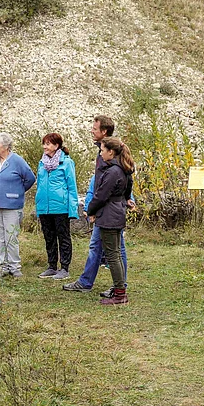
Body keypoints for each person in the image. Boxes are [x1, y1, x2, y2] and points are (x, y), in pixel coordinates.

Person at [63, 115, 131, 295]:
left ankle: (116, 287)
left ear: (104, 132)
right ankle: (115, 285)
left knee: (112, 250)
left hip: (107, 211)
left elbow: (105, 187)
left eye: (94, 129)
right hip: (109, 209)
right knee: (111, 248)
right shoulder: (107, 153)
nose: (91, 131)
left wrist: (91, 209)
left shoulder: (110, 156)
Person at [84, 136, 134, 305]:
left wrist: (90, 210)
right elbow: (128, 189)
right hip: (117, 212)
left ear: (111, 152)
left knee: (112, 255)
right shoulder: (124, 168)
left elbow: (101, 195)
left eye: (102, 150)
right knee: (116, 253)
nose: (100, 153)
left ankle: (120, 294)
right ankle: (119, 290)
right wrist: (126, 199)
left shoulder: (113, 172)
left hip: (109, 215)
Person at [0, 132, 36, 279]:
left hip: (12, 205)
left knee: (11, 236)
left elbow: (30, 178)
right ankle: (3, 267)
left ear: (6, 146)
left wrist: (17, 191)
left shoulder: (17, 161)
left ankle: (15, 267)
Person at [34, 132, 79, 280]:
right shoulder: (41, 163)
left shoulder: (67, 163)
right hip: (44, 207)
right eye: (44, 143)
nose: (44, 146)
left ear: (56, 145)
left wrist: (72, 209)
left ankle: (64, 268)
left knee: (63, 237)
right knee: (49, 237)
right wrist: (38, 203)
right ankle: (52, 266)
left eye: (48, 144)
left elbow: (72, 187)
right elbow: (39, 185)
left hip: (61, 207)